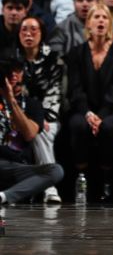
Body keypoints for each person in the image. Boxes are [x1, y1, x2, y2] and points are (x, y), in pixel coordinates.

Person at [66, 3, 113, 202]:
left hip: (110, 109)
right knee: (77, 125)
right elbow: (75, 89)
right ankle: (81, 178)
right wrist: (88, 114)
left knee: (109, 127)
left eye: (104, 17)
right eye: (96, 17)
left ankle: (106, 180)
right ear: (88, 24)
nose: (100, 21)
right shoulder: (76, 52)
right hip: (84, 109)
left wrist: (100, 116)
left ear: (110, 24)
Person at [0, 52, 64, 205]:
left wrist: (11, 101)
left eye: (17, 71)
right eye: (9, 72)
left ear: (23, 74)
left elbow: (29, 134)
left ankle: (4, 196)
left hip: (18, 166)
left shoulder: (32, 105)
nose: (13, 76)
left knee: (55, 171)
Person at [16, 15, 65, 203]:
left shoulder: (53, 59)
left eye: (33, 29)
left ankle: (49, 187)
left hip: (49, 116)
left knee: (40, 133)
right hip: (18, 116)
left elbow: (55, 93)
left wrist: (42, 117)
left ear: (42, 34)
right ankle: (48, 184)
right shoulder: (13, 60)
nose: (28, 34)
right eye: (24, 30)